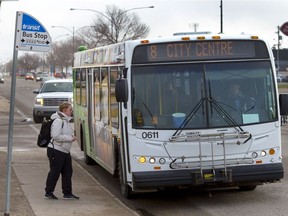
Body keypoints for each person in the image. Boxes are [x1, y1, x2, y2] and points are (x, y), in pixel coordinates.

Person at [44, 102, 79, 200]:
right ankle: (48, 192)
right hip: (56, 150)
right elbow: (55, 135)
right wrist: (69, 138)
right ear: (64, 110)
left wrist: (70, 137)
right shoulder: (59, 121)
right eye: (70, 110)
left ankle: (67, 193)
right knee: (55, 172)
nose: (72, 111)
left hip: (65, 151)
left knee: (68, 172)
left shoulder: (65, 120)